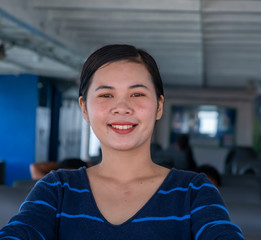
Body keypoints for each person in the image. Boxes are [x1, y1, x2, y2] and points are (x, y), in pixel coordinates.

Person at [0, 44, 244, 239]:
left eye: (137, 94)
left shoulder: (195, 192)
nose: (122, 108)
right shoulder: (56, 189)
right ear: (84, 108)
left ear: (159, 106)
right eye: (106, 95)